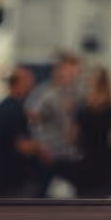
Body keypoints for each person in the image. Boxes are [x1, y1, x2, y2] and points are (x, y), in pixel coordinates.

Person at [27, 53, 83, 193]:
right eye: (70, 70)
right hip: (50, 153)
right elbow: (32, 120)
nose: (73, 75)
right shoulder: (45, 92)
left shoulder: (76, 92)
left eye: (75, 71)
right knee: (41, 193)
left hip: (70, 153)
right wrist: (41, 147)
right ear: (59, 70)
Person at [0, 67, 46, 198]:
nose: (32, 84)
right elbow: (22, 146)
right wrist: (42, 149)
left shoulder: (3, 108)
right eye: (29, 80)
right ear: (19, 83)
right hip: (14, 179)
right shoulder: (15, 110)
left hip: (3, 176)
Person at [73, 68, 111, 198]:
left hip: (86, 157)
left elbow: (74, 136)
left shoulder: (82, 108)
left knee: (84, 200)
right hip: (105, 161)